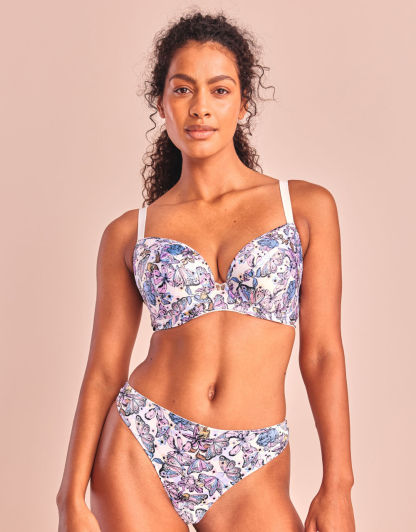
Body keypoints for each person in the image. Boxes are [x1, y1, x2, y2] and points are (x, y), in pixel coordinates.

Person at [56, 9, 355, 532]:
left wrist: (338, 486)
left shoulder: (304, 207)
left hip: (253, 460)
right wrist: (69, 500)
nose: (200, 108)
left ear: (243, 103)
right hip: (142, 444)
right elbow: (104, 370)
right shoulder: (129, 233)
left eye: (219, 90)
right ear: (161, 104)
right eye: (182, 89)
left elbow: (323, 353)